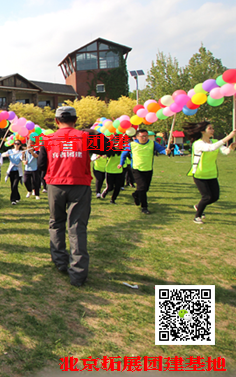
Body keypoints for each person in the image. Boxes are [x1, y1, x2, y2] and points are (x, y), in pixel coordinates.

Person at [43, 106, 112, 287]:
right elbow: (110, 148)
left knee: (56, 222)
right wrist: (93, 132)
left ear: (56, 121)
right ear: (76, 119)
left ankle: (60, 262)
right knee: (77, 227)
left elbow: (42, 163)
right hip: (79, 185)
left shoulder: (47, 139)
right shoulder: (86, 136)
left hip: (55, 185)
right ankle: (78, 274)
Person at [183, 122, 236, 224]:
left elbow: (225, 151)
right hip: (199, 174)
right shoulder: (198, 144)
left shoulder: (214, 141)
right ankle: (197, 217)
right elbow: (210, 148)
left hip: (212, 174)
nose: (212, 130)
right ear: (203, 131)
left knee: (215, 197)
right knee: (207, 197)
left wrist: (230, 148)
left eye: (212, 128)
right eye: (210, 128)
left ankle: (199, 206)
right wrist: (229, 136)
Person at [120, 129, 167, 215]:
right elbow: (124, 154)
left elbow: (161, 149)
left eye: (146, 136)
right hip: (136, 169)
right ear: (137, 137)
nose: (145, 138)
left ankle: (136, 194)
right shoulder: (131, 144)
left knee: (145, 188)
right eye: (142, 136)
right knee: (142, 188)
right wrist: (121, 163)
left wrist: (166, 151)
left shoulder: (152, 143)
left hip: (148, 168)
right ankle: (144, 207)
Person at [0, 140, 24, 205]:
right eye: (15, 143)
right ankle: (17, 197)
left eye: (18, 144)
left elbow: (21, 159)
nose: (16, 145)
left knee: (15, 185)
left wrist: (23, 155)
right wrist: (6, 155)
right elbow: (2, 154)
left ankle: (13, 199)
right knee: (12, 185)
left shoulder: (21, 152)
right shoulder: (10, 151)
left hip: (18, 171)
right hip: (11, 171)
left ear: (20, 145)